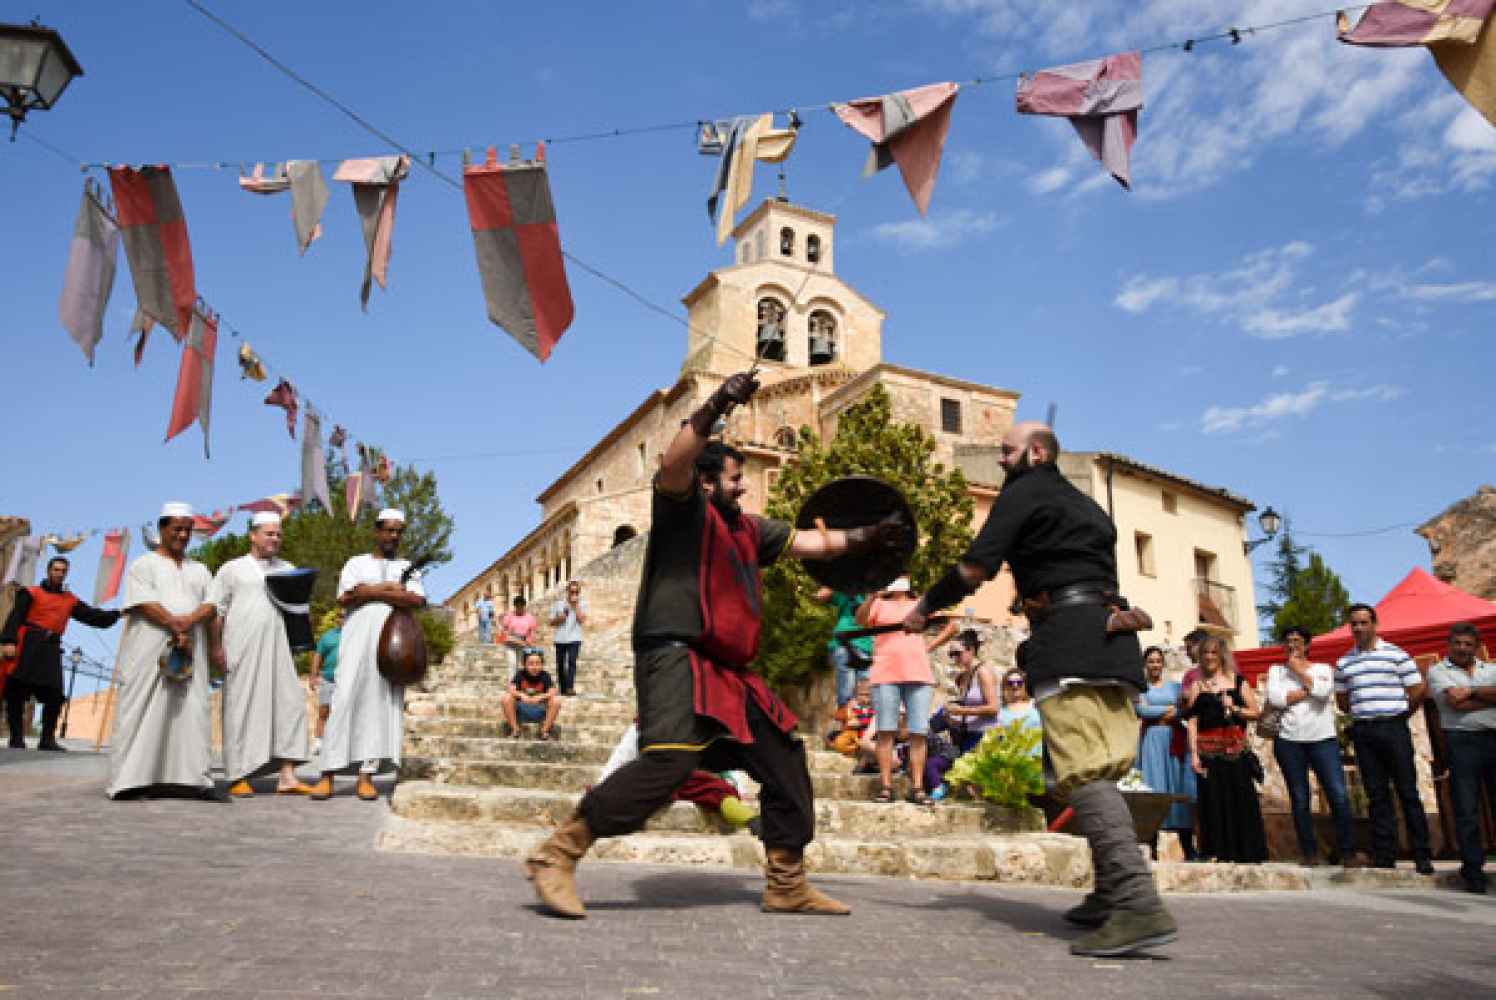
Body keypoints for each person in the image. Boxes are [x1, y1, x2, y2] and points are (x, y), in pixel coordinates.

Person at [523, 370, 909, 919]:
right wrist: (717, 405)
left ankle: (786, 881)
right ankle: (558, 852)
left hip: (731, 672)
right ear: (706, 483)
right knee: (670, 762)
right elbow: (672, 463)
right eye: (734, 478)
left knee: (785, 757)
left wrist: (869, 537)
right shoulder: (683, 511)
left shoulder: (749, 530)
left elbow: (812, 543)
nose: (743, 486)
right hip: (675, 655)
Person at [902, 420, 1176, 958]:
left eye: (1006, 452)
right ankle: (1109, 894)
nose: (999, 461)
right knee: (1099, 771)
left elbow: (975, 567)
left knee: (1084, 772)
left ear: (1035, 453)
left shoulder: (1025, 491)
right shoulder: (1086, 506)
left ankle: (1136, 903)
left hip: (1070, 642)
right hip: (1112, 641)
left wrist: (925, 606)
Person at [106, 502, 227, 802]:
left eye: (187, 530)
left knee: (191, 711)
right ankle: (132, 780)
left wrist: (191, 624)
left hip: (191, 650)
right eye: (177, 529)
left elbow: (213, 605)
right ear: (162, 529)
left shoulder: (200, 570)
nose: (183, 535)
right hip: (149, 651)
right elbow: (143, 602)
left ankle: (190, 780)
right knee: (142, 708)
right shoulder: (143, 565)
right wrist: (175, 624)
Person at [310, 509, 426, 803]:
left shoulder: (407, 567)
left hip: (392, 643)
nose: (393, 536)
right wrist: (388, 589)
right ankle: (327, 774)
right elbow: (345, 597)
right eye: (388, 530)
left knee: (379, 705)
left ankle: (366, 776)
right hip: (356, 640)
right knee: (343, 698)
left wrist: (368, 591)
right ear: (377, 532)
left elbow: (415, 599)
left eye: (399, 531)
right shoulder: (356, 563)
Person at [207, 511, 312, 796]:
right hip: (242, 648)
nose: (275, 539)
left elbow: (299, 610)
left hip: (280, 649)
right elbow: (216, 611)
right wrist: (215, 648)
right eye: (269, 533)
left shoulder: (288, 569)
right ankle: (237, 775)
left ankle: (287, 776)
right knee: (241, 707)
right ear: (253, 535)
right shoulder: (232, 569)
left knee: (289, 706)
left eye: (278, 534)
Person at [1335, 603, 1434, 874]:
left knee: (1408, 791)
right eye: (1354, 624)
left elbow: (1417, 690)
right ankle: (1385, 855)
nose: (1358, 628)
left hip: (1393, 728)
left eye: (1363, 622)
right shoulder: (1344, 662)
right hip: (1364, 731)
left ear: (1375, 624)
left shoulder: (1396, 655)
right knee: (1376, 795)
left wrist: (1400, 715)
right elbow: (1342, 701)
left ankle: (1422, 855)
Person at [1265, 626, 1362, 868]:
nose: (1292, 645)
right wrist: (1308, 689)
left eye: (1297, 641)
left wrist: (1299, 672)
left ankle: (1348, 851)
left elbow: (1323, 693)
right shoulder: (1276, 671)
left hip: (1323, 739)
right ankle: (1309, 853)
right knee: (1300, 798)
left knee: (1338, 795)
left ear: (1307, 645)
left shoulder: (1323, 669)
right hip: (1289, 740)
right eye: (1288, 641)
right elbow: (1276, 699)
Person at [1, 556, 120, 750]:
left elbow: (91, 616)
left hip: (50, 648)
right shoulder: (31, 593)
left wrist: (117, 614)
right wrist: (9, 641)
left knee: (55, 695)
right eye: (56, 569)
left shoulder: (69, 600)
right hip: (28, 644)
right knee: (16, 691)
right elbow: (15, 617)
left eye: (63, 571)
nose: (59, 573)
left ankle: (47, 739)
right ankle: (16, 737)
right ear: (49, 571)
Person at [1181, 637, 1267, 863]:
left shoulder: (1238, 681)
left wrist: (1235, 708)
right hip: (1208, 752)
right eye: (1205, 653)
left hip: (1235, 750)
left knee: (1240, 798)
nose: (1209, 657)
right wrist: (1194, 755)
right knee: (1213, 801)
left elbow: (1255, 713)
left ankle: (1246, 851)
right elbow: (1192, 722)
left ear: (1222, 655)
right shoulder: (1197, 686)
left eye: (1213, 652)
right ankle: (1217, 851)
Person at [1426, 621, 1496, 893]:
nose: (1462, 648)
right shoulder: (1438, 671)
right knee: (1466, 809)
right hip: (1461, 741)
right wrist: (1487, 696)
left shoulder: (1490, 669)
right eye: (1457, 643)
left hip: (1493, 738)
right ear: (1448, 645)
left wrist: (1472, 692)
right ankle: (1473, 871)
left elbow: (1463, 699)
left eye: (1468, 644)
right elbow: (1454, 702)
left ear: (1477, 647)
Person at [856, 577, 936, 805]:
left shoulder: (920, 603)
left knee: (918, 732)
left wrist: (929, 646)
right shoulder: (878, 603)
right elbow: (860, 621)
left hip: (918, 673)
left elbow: (950, 624)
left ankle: (917, 788)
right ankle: (886, 787)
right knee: (885, 731)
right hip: (885, 673)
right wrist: (872, 595)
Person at [596, 722, 759, 831]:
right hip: (660, 774)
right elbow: (624, 753)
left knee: (713, 788)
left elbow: (623, 754)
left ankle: (750, 819)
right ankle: (747, 818)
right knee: (716, 790)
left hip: (676, 775)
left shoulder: (657, 721)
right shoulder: (646, 723)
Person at [1133, 646, 1198, 861]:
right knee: (1154, 789)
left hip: (1175, 740)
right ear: (1145, 664)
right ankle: (1151, 849)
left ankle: (1188, 848)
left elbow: (1184, 710)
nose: (1155, 665)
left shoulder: (1175, 687)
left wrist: (1162, 711)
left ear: (1163, 663)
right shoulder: (1140, 689)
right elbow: (1142, 710)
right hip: (1152, 742)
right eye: (1151, 661)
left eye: (1158, 661)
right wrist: (1169, 709)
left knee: (1178, 788)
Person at [811, 587, 873, 708]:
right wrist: (838, 584)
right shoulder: (844, 590)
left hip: (865, 644)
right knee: (847, 686)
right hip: (844, 641)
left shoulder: (876, 592)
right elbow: (819, 596)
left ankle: (861, 712)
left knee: (865, 690)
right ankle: (845, 709)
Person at [943, 630, 1000, 754]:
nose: (954, 658)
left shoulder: (983, 672)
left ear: (971, 650)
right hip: (968, 735)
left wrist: (961, 711)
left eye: (957, 653)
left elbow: (994, 708)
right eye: (951, 654)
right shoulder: (963, 676)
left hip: (986, 736)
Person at [502, 647, 561, 739]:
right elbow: (510, 689)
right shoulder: (520, 674)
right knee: (506, 698)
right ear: (524, 664)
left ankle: (544, 730)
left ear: (542, 664)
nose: (534, 667)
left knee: (556, 701)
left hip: (540, 710)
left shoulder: (545, 675)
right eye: (531, 663)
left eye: (538, 663)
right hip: (522, 709)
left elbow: (553, 691)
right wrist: (521, 695)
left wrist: (541, 697)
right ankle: (515, 729)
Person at [308, 609, 344, 754]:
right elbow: (318, 656)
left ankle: (339, 745)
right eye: (340, 616)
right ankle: (318, 742)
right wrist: (313, 676)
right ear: (337, 619)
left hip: (347, 681)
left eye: (345, 616)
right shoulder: (327, 637)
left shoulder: (355, 635)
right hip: (328, 679)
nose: (343, 619)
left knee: (343, 713)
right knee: (324, 711)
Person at [549, 580, 588, 696]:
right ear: (567, 591)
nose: (574, 594)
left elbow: (582, 620)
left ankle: (570, 687)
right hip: (560, 638)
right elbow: (551, 622)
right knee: (560, 664)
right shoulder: (558, 604)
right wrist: (560, 618)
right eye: (572, 592)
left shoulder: (582, 604)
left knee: (572, 662)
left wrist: (576, 607)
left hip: (575, 638)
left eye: (576, 592)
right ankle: (563, 688)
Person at [828, 675, 877, 761]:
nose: (864, 698)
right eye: (861, 694)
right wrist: (848, 710)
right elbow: (837, 716)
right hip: (853, 736)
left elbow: (873, 721)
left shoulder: (874, 709)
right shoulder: (853, 707)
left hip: (868, 736)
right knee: (839, 741)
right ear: (855, 696)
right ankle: (855, 750)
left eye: (868, 695)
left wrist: (861, 722)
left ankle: (861, 752)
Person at [500, 596, 537, 671]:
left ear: (524, 606)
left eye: (521, 606)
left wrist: (530, 641)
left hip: (523, 643)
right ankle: (512, 679)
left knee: (521, 666)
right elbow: (503, 629)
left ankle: (519, 678)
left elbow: (532, 632)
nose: (519, 608)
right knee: (512, 664)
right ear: (515, 606)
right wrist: (507, 635)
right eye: (517, 606)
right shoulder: (509, 616)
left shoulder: (530, 617)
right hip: (511, 643)